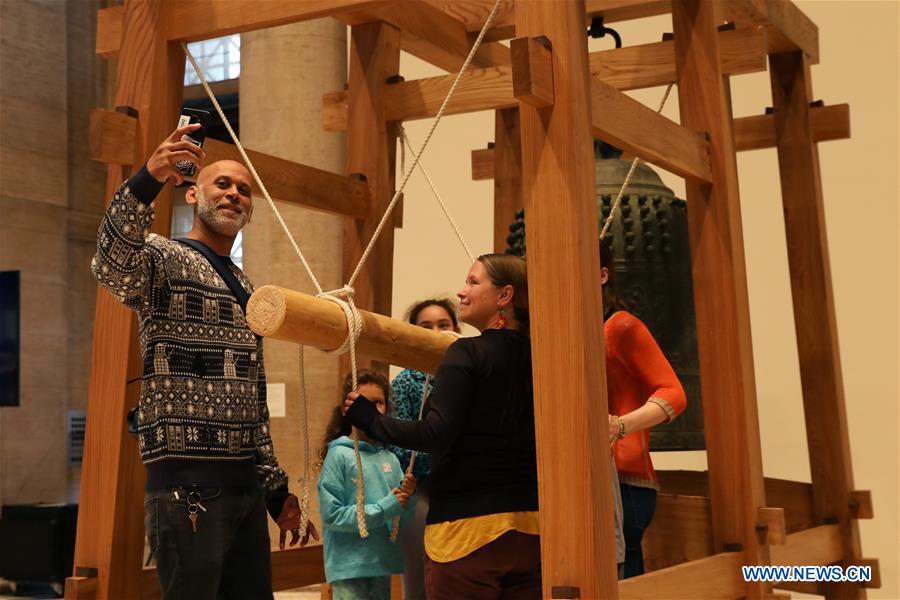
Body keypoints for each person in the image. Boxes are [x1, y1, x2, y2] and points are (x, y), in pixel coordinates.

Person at [92, 124, 317, 600]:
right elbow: (110, 261)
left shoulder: (248, 288)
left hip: (245, 494)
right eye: (222, 183)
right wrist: (148, 179)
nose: (235, 193)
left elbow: (253, 398)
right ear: (192, 194)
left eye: (244, 189)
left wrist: (275, 491)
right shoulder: (162, 256)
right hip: (186, 489)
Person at [344, 254, 541, 600]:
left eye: (473, 282)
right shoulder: (541, 355)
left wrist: (370, 419)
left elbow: (435, 433)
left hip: (468, 530)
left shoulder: (467, 353)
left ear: (505, 296)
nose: (461, 292)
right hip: (531, 531)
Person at [599, 238, 687, 578]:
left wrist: (618, 425)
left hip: (626, 481)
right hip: (590, 478)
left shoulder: (620, 326)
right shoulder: (564, 329)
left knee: (624, 583)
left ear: (603, 274)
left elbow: (674, 393)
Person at [318, 370, 417, 600]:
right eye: (364, 403)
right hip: (349, 567)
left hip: (381, 564)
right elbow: (331, 515)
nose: (371, 409)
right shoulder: (339, 457)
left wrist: (407, 498)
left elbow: (401, 518)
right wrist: (385, 507)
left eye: (378, 403)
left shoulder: (390, 460)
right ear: (347, 410)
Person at [390, 298, 461, 600]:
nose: (436, 332)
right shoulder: (405, 381)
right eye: (426, 326)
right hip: (420, 487)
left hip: (463, 489)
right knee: (418, 577)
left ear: (456, 330)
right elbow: (398, 442)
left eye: (444, 325)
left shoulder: (466, 377)